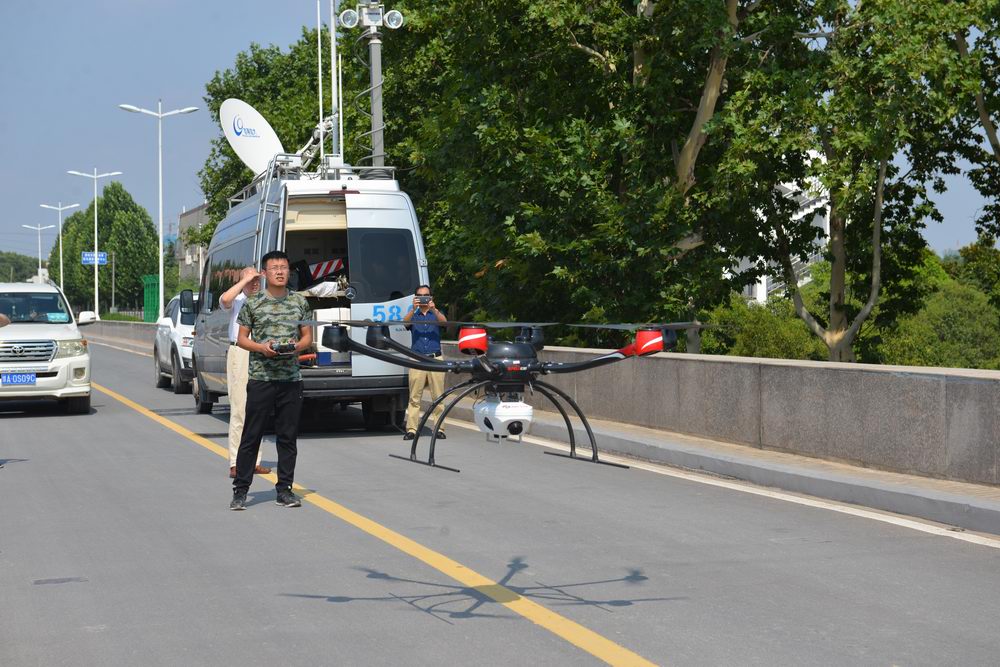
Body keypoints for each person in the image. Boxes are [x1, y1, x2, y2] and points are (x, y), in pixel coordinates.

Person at [230, 251, 313, 511]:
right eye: (274, 267)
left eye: (284, 267)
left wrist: (295, 347)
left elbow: (307, 337)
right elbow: (242, 338)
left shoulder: (300, 302)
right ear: (264, 273)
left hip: (290, 379)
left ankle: (285, 490)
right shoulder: (253, 303)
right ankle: (241, 491)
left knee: (287, 437)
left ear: (289, 271)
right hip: (261, 378)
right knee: (251, 435)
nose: (280, 271)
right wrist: (261, 348)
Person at [220, 266, 270, 479]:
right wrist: (244, 281)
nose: (255, 283)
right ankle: (236, 462)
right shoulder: (238, 300)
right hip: (240, 353)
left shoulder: (263, 301)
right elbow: (224, 300)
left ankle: (254, 461)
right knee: (239, 409)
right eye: (251, 280)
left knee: (257, 409)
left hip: (259, 352)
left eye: (257, 280)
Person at [401, 284, 448, 441]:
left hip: (435, 358)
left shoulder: (436, 313)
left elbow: (445, 323)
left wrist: (434, 309)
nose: (423, 299)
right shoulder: (413, 314)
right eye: (420, 296)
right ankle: (412, 429)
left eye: (426, 296)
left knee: (439, 396)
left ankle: (439, 428)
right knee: (415, 397)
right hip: (417, 358)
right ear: (415, 298)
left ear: (431, 297)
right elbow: (405, 324)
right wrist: (413, 309)